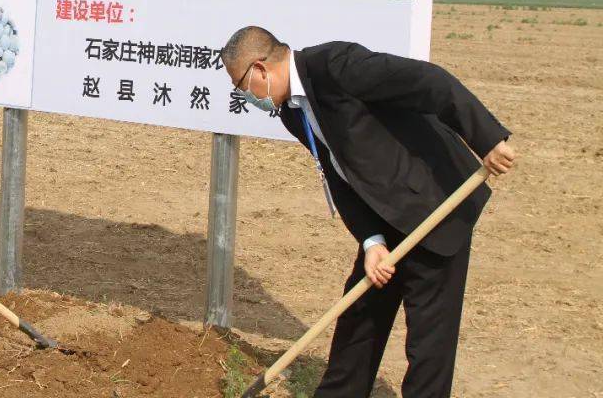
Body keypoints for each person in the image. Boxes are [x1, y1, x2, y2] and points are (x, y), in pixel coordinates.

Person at [220, 26, 515, 398]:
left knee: (428, 345)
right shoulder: (291, 111)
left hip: (433, 205)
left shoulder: (336, 67)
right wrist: (371, 241)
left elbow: (429, 82)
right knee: (359, 321)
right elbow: (338, 174)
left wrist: (486, 137)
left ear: (260, 70)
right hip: (384, 217)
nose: (245, 96)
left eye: (241, 85)